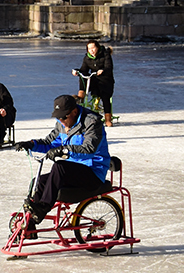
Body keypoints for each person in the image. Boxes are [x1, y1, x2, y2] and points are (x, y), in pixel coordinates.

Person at [12, 95, 110, 235]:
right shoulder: (62, 124)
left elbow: (89, 150)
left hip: (92, 173)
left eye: (64, 117)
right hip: (71, 173)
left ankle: (42, 208)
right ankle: (30, 225)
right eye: (58, 118)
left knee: (60, 166)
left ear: (74, 112)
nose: (61, 121)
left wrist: (64, 150)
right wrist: (30, 144)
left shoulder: (92, 123)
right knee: (39, 181)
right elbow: (49, 143)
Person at [72, 40, 114, 127]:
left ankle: (108, 118)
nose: (92, 50)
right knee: (83, 75)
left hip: (105, 79)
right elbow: (84, 69)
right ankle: (81, 95)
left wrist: (103, 70)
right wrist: (77, 71)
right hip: (94, 79)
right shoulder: (87, 58)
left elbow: (109, 67)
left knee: (105, 97)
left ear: (97, 48)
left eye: (93, 48)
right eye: (89, 49)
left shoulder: (105, 55)